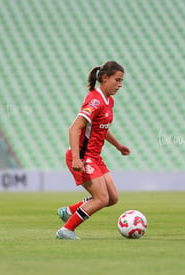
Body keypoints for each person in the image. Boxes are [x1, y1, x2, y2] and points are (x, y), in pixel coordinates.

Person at [56, 61, 130, 240]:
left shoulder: (108, 101)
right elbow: (74, 128)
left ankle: (69, 211)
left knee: (112, 198)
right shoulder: (95, 100)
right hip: (83, 157)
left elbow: (100, 128)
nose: (120, 85)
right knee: (101, 199)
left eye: (122, 81)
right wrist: (76, 158)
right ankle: (66, 230)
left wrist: (118, 146)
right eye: (117, 80)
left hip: (95, 157)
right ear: (105, 78)